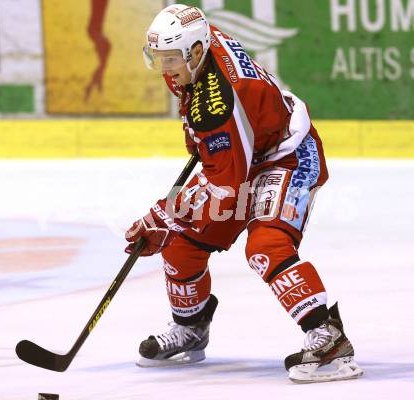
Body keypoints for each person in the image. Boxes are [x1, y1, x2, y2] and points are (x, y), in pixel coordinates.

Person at [125, 4, 363, 383]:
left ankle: (328, 337)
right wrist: (199, 145)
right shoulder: (198, 46)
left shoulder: (217, 104)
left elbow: (223, 186)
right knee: (182, 243)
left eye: (171, 59)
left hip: (287, 156)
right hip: (244, 153)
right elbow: (219, 157)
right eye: (158, 58)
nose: (165, 68)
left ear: (197, 52)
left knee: (265, 246)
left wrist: (161, 214)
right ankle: (191, 328)